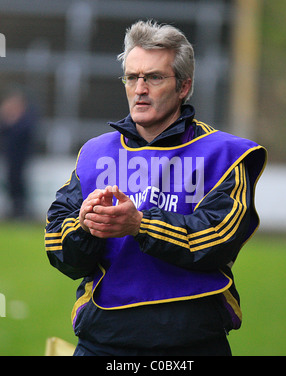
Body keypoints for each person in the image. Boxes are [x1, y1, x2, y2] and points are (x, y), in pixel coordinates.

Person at [45, 20, 267, 356]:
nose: (139, 88)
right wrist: (86, 226)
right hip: (102, 342)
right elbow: (58, 248)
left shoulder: (225, 154)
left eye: (154, 77)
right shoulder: (94, 153)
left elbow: (217, 241)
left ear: (184, 87)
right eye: (132, 77)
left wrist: (139, 224)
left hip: (192, 343)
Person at [0, 87, 37, 219]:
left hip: (22, 158)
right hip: (10, 157)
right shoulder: (9, 118)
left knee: (20, 183)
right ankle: (15, 209)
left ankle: (20, 209)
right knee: (11, 182)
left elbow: (24, 133)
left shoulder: (26, 118)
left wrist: (13, 120)